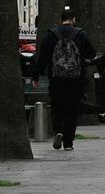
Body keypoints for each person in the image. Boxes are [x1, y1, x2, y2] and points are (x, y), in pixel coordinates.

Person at [32, 8, 95, 151]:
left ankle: (58, 131)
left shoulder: (51, 35)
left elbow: (42, 59)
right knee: (72, 110)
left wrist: (36, 76)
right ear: (73, 19)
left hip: (56, 79)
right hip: (75, 79)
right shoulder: (80, 34)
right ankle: (68, 143)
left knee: (57, 107)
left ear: (61, 19)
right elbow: (91, 54)